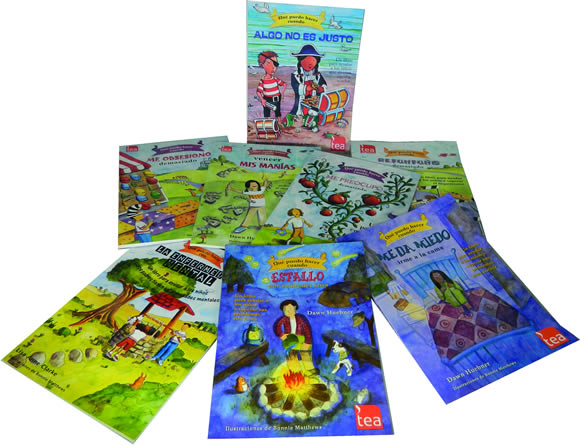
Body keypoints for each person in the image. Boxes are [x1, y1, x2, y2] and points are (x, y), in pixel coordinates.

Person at [273, 300, 316, 375]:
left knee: (305, 353)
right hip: (291, 340)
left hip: (302, 339)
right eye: (285, 309)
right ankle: (295, 371)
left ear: (295, 308)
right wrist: (281, 335)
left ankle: (310, 370)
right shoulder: (284, 319)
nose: (288, 311)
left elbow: (307, 330)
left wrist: (307, 342)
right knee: (291, 354)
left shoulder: (301, 318)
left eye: (290, 308)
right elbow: (277, 325)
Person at [289, 44, 327, 117]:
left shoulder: (317, 75)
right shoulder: (295, 75)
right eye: (307, 60)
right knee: (298, 114)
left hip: (314, 102)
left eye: (313, 60)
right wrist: (306, 88)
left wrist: (322, 88)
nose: (310, 64)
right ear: (300, 61)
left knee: (314, 113)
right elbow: (296, 87)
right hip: (301, 102)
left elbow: (323, 84)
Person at [256, 51, 286, 122]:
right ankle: (267, 124)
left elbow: (284, 84)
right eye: (268, 63)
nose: (273, 67)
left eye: (275, 64)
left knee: (278, 113)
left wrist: (282, 94)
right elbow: (258, 92)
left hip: (276, 99)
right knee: (267, 114)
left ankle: (279, 124)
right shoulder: (263, 81)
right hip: (267, 100)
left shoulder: (275, 79)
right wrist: (262, 100)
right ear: (262, 65)